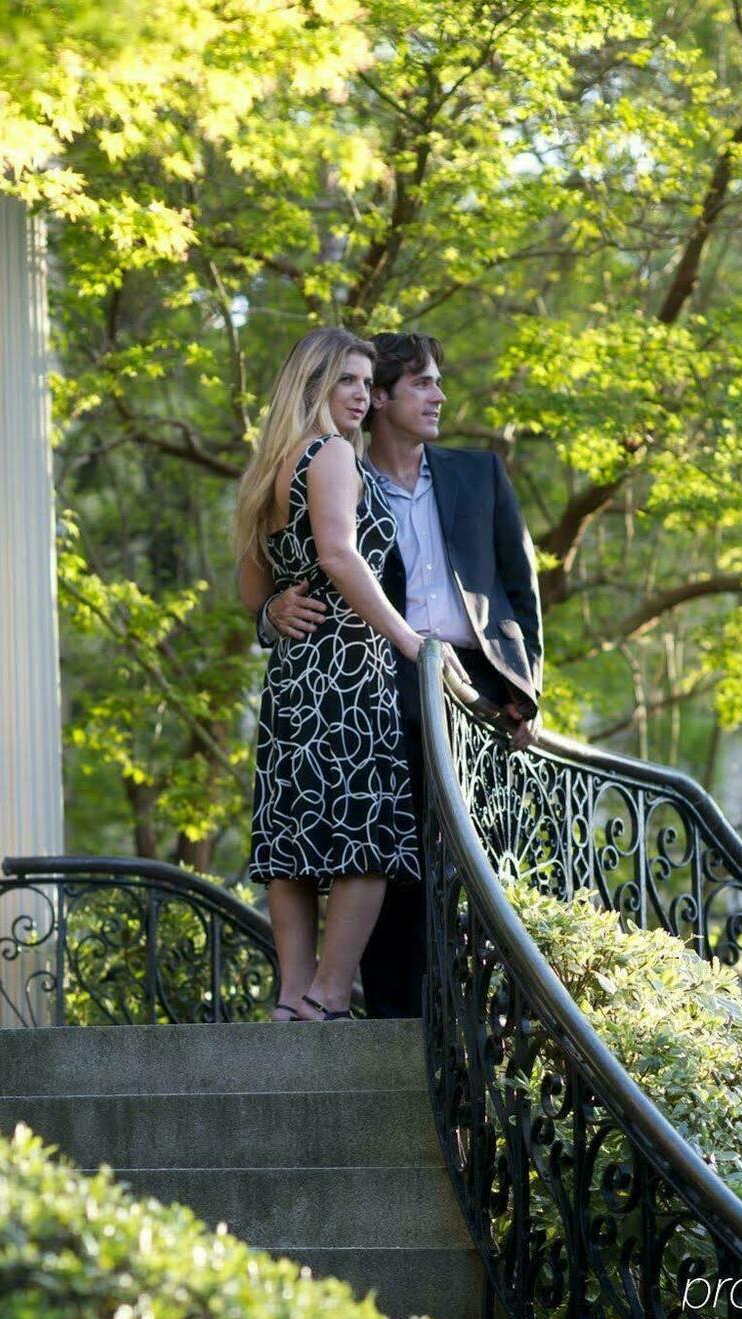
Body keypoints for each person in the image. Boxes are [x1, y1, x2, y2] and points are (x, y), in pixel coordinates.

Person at [254, 331, 543, 1019]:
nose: (440, 396)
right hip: (380, 678)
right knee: (382, 848)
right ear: (379, 397)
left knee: (475, 866)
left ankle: (476, 1022)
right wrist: (271, 610)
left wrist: (526, 692)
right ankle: (384, 1016)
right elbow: (301, 567)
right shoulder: (338, 468)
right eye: (422, 385)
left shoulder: (479, 474)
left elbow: (520, 589)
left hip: (471, 689)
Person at [236, 328, 425, 1022]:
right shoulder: (334, 455)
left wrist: (274, 616)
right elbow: (342, 556)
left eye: (366, 383)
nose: (361, 395)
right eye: (346, 380)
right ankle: (329, 995)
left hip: (291, 677)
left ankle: (291, 999)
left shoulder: (270, 468)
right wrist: (411, 643)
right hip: (350, 671)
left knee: (291, 839)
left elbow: (255, 595)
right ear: (313, 384)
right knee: (366, 840)